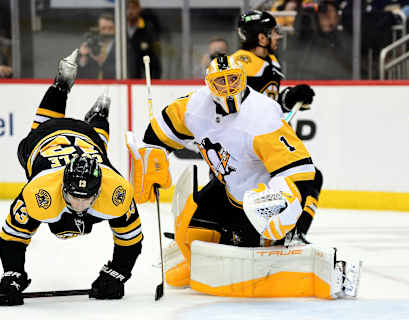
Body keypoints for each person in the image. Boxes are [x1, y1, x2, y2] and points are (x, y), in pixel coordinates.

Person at [127, 53, 316, 287]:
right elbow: (161, 129)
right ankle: (198, 265)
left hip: (257, 198)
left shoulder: (263, 116)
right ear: (208, 85)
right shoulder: (195, 106)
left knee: (247, 252)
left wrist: (283, 203)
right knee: (190, 235)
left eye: (233, 80)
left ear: (243, 79)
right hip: (225, 188)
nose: (228, 88)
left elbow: (299, 170)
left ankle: (274, 245)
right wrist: (152, 157)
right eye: (220, 82)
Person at [0, 49, 142, 306]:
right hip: (46, 141)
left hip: (87, 142)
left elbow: (131, 239)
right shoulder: (40, 191)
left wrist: (117, 273)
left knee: (98, 148)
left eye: (87, 197)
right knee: (44, 129)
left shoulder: (114, 188)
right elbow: (12, 237)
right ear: (62, 187)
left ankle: (95, 115)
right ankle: (64, 89)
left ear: (99, 189)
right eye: (74, 196)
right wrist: (12, 274)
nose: (81, 205)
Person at [230, 10, 321, 243]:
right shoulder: (241, 63)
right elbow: (237, 107)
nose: (278, 37)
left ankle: (291, 233)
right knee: (305, 179)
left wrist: (290, 97)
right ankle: (283, 234)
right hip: (243, 151)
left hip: (261, 146)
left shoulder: (268, 63)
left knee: (309, 177)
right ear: (261, 38)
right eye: (273, 33)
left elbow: (267, 103)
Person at [286, 0, 353, 79]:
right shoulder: (309, 37)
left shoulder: (345, 40)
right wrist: (305, 11)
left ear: (337, 17)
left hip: (337, 82)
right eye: (323, 12)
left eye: (330, 11)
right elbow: (298, 30)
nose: (325, 15)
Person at [126, 0, 162, 79]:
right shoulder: (120, 30)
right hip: (124, 79)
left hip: (142, 81)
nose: (130, 11)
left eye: (133, 8)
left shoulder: (148, 30)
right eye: (127, 8)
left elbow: (154, 60)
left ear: (139, 9)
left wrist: (153, 81)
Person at [78, 13, 116, 79]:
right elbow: (78, 76)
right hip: (92, 86)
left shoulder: (122, 47)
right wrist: (83, 58)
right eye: (103, 28)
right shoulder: (90, 44)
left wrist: (101, 63)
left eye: (110, 28)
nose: (107, 32)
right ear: (98, 29)